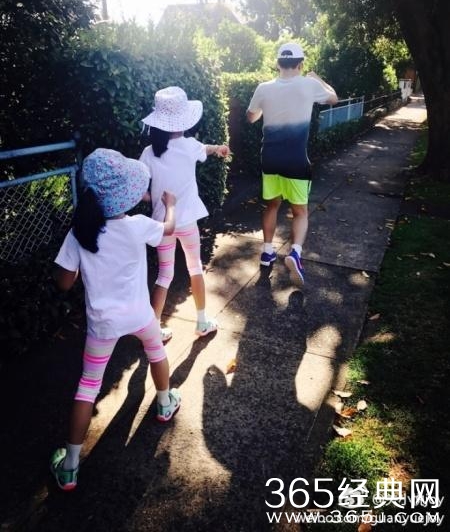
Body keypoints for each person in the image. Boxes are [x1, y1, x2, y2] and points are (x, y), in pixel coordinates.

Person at [50, 148, 180, 492]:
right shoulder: (137, 226)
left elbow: (64, 282)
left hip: (102, 325)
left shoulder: (79, 233)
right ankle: (165, 402)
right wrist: (170, 205)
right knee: (156, 351)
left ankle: (70, 466)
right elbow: (169, 229)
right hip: (140, 315)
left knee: (88, 386)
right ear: (126, 194)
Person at [139, 86, 230, 341]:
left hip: (163, 224)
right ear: (183, 120)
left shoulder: (148, 152)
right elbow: (206, 149)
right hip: (187, 221)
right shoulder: (190, 145)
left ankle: (154, 329)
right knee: (195, 267)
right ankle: (202, 322)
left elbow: (138, 189)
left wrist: (155, 197)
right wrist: (220, 148)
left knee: (164, 274)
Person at [246, 42, 338, 287]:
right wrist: (318, 78)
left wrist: (267, 108)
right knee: (300, 211)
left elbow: (251, 117)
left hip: (270, 158)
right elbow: (334, 98)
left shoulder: (263, 88)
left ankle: (267, 252)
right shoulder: (309, 84)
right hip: (296, 160)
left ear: (278, 63)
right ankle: (295, 253)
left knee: (271, 205)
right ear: (301, 64)